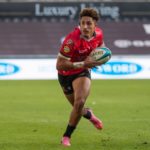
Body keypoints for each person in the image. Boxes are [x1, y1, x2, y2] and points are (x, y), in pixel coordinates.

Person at [56, 8, 107, 146]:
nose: (85, 26)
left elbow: (101, 45)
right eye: (82, 23)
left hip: (82, 72)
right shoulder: (71, 40)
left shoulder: (99, 34)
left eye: (89, 23)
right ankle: (89, 114)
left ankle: (66, 137)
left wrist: (98, 56)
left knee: (79, 103)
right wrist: (84, 62)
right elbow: (59, 65)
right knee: (78, 108)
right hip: (65, 74)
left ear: (95, 25)